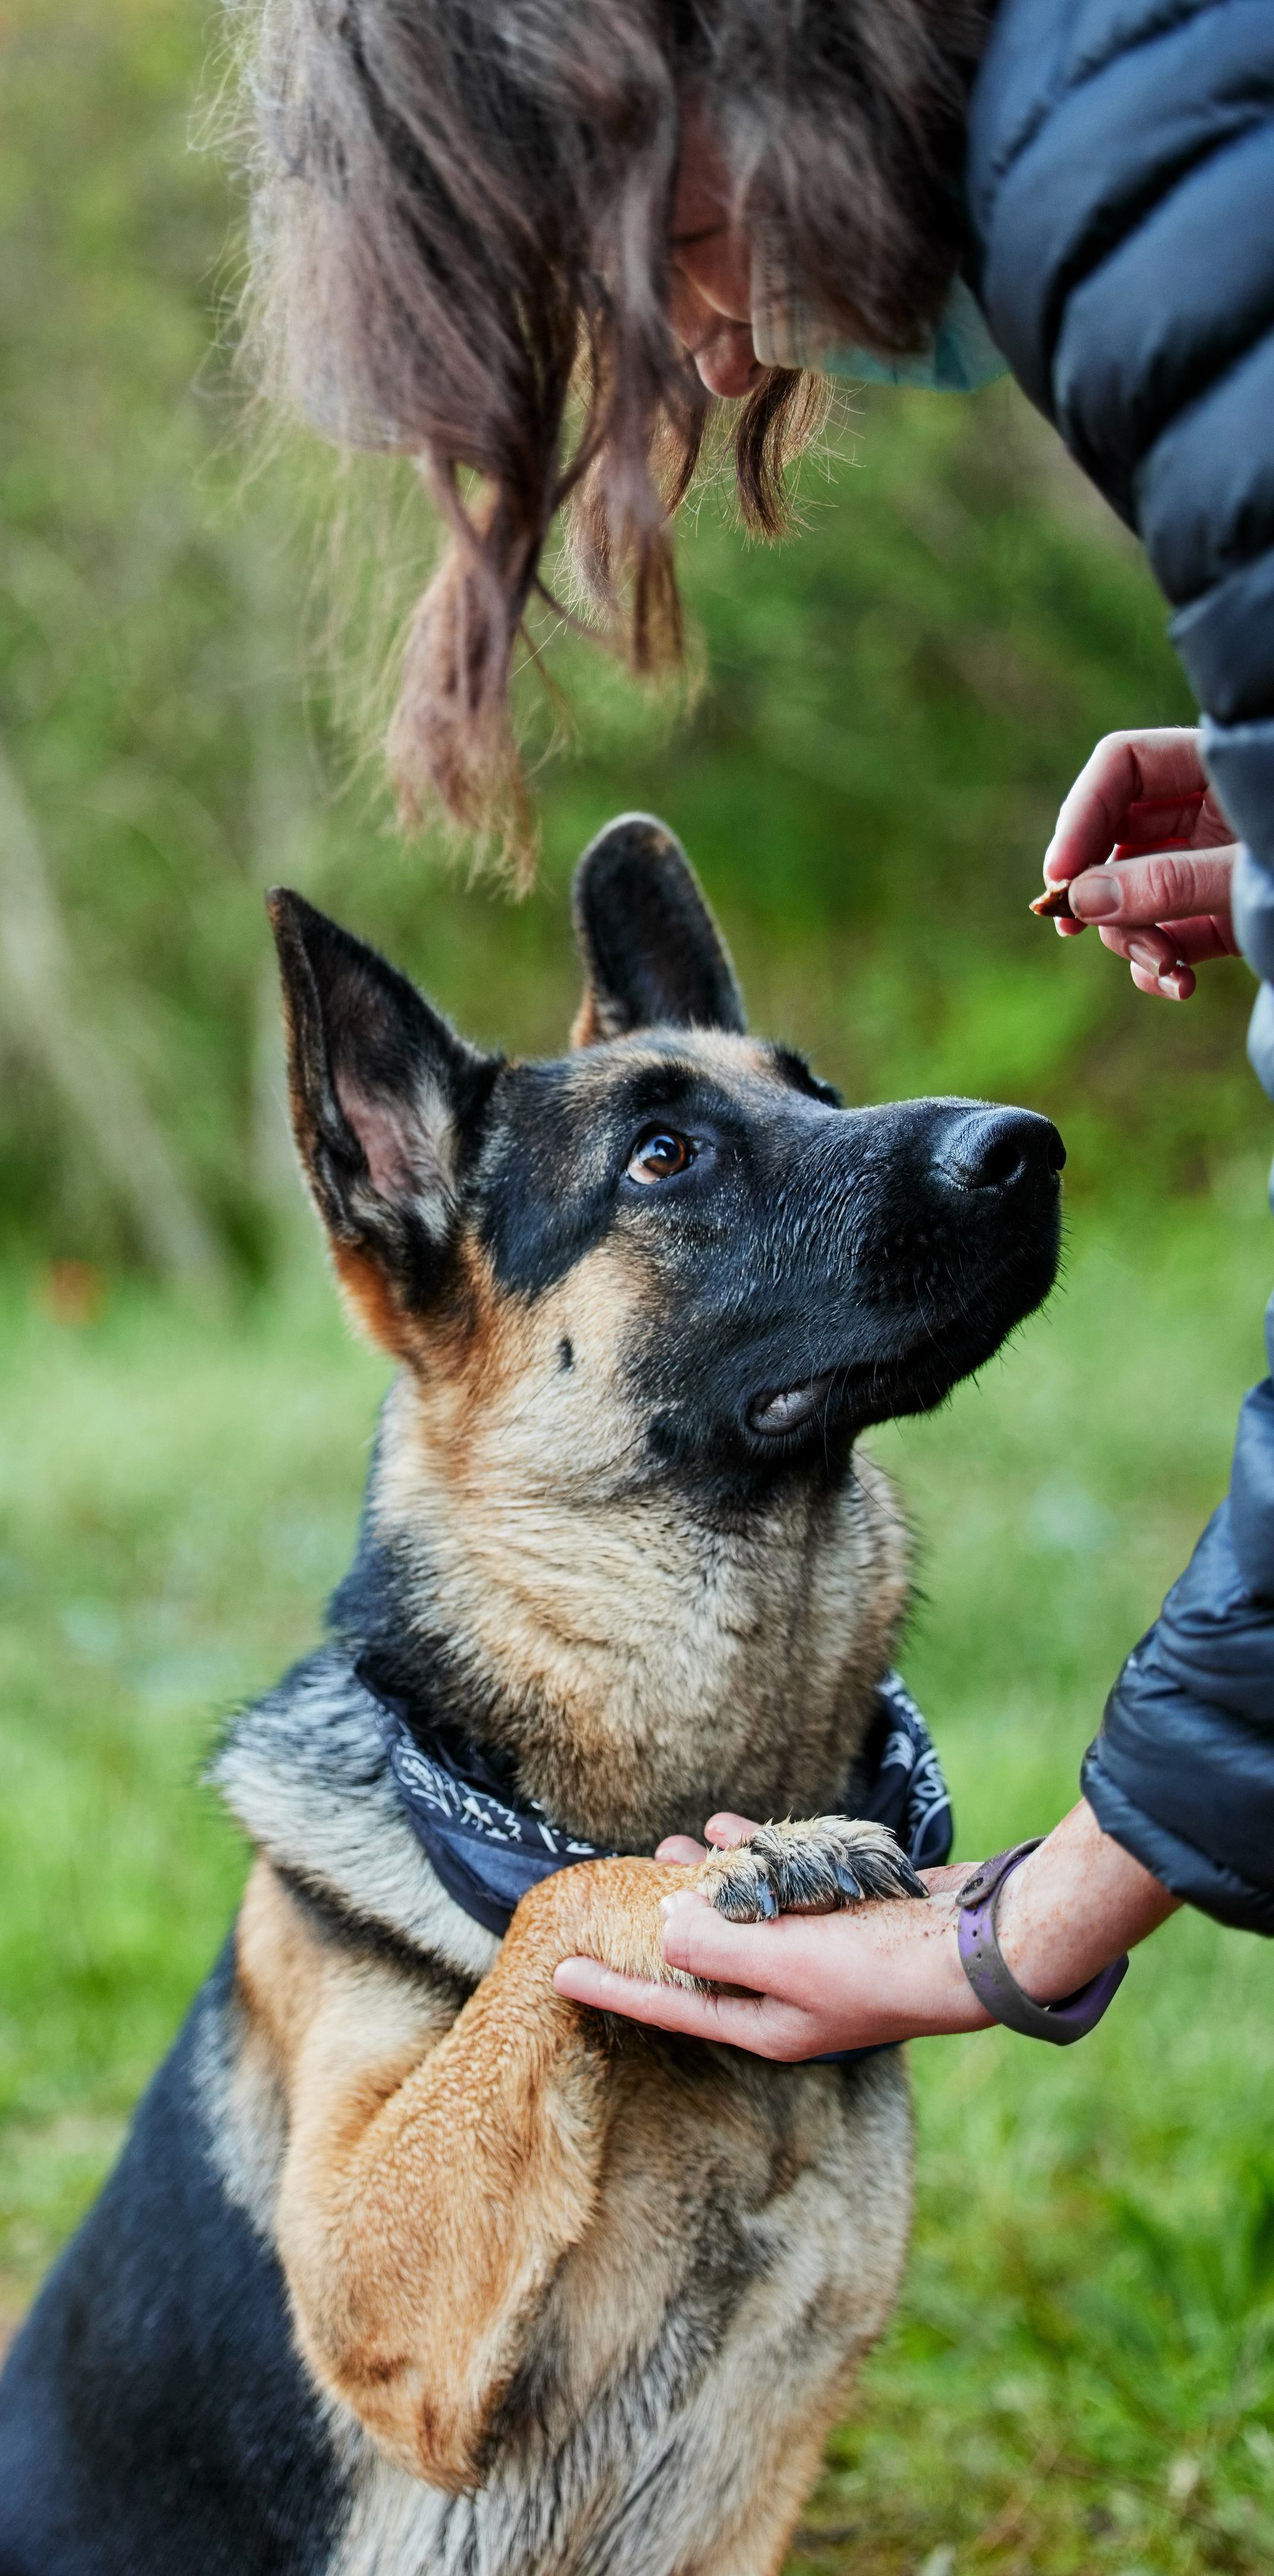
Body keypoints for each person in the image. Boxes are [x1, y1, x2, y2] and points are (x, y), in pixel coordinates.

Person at [242, 0, 1274, 2043]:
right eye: (668, 1158)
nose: (690, 370)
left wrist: (1039, 1915)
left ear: (658, 98)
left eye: (604, 296)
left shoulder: (1152, 183)